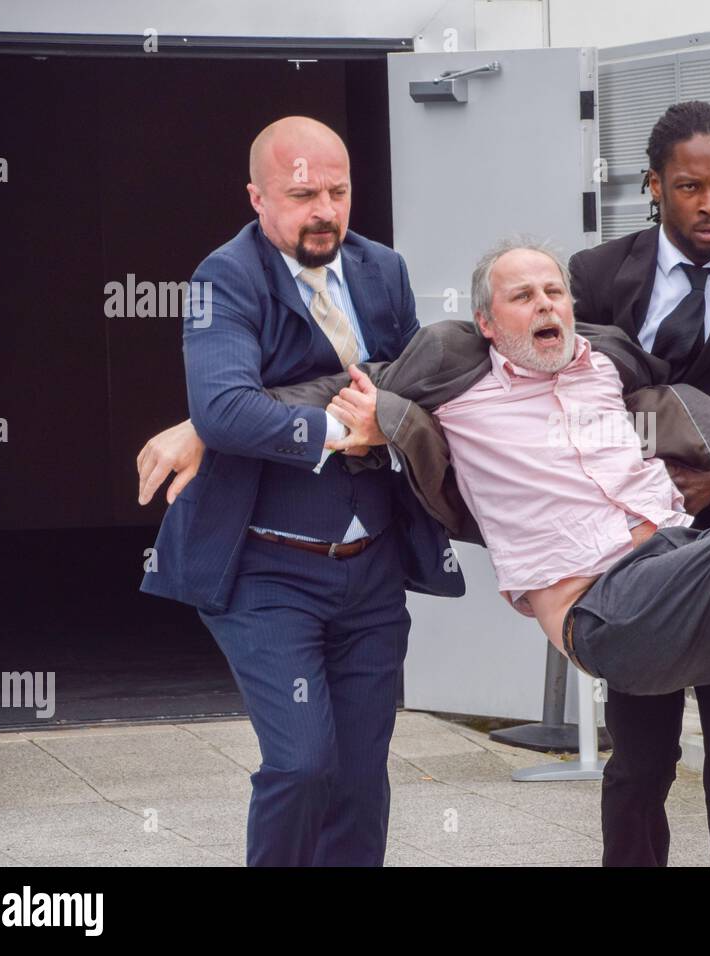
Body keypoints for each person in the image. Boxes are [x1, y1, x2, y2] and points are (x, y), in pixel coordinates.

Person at [136, 116, 461, 867]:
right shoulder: (225, 277)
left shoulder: (383, 270)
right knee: (303, 763)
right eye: (302, 193)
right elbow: (224, 407)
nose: (324, 211)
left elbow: (411, 385)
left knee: (358, 776)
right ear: (257, 197)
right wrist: (347, 430)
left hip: (373, 569)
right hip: (266, 571)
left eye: (338, 192)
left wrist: (385, 418)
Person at [566, 102, 710, 867]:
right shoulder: (597, 277)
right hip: (638, 562)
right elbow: (563, 404)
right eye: (691, 187)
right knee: (639, 763)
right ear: (654, 186)